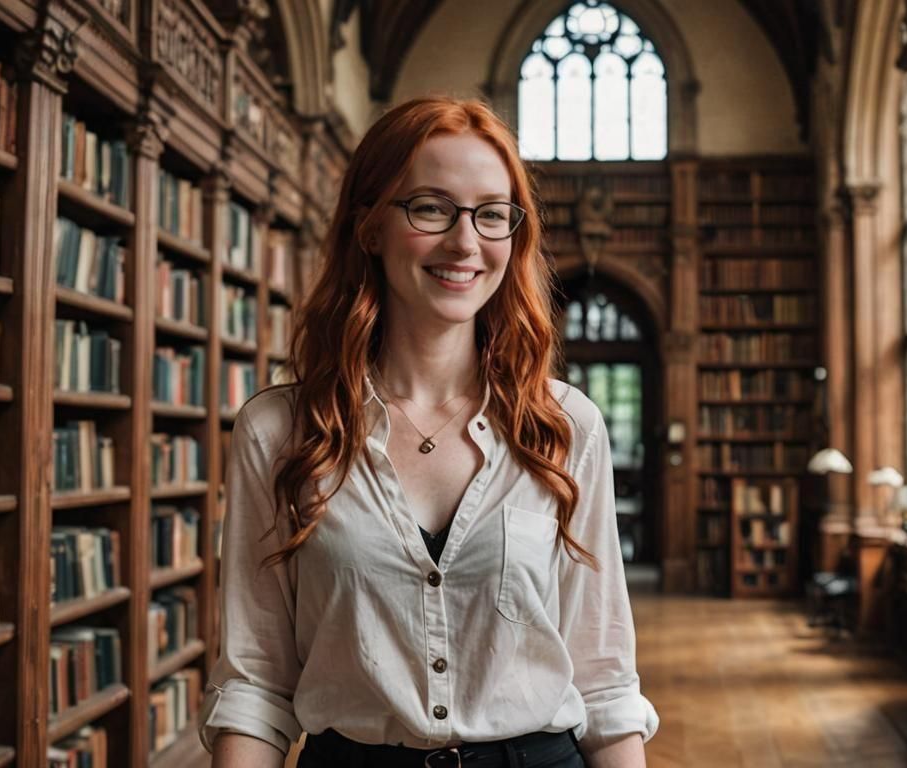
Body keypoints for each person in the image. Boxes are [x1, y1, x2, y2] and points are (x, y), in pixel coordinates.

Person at [199, 96, 658, 768]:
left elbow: (605, 680)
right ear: (369, 228)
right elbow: (255, 683)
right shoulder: (281, 431)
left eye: (491, 214)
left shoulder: (566, 426)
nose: (466, 242)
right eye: (431, 208)